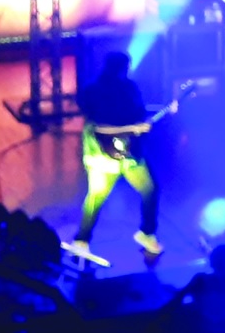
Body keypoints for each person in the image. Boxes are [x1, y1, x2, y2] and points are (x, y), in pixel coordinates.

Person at [70, 52, 170, 260]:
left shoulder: (129, 88)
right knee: (96, 197)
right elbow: (99, 128)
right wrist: (133, 128)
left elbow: (139, 113)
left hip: (130, 152)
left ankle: (146, 233)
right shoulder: (95, 91)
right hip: (101, 155)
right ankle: (81, 240)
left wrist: (163, 109)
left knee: (150, 190)